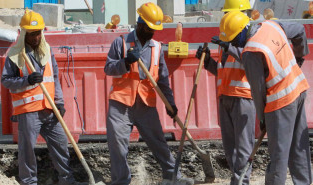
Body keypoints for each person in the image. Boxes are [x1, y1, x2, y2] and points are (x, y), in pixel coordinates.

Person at [104, 2, 194, 185]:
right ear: (140, 24)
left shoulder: (157, 48)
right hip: (121, 103)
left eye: (154, 29)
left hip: (145, 104)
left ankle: (172, 177)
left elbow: (162, 80)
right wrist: (125, 62)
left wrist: (171, 103)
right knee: (118, 146)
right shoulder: (120, 42)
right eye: (149, 28)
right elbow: (108, 68)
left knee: (158, 142)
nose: (152, 32)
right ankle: (121, 181)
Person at [219, 11, 312, 185]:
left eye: (233, 39)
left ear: (241, 31)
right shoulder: (271, 25)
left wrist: (262, 119)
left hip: (280, 102)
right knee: (299, 149)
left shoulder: (250, 51)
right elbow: (299, 29)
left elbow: (258, 90)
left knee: (278, 156)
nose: (233, 43)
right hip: (298, 90)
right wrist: (299, 57)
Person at [1, 10, 84, 185]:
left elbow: (54, 78)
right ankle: (29, 182)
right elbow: (6, 81)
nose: (36, 38)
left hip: (49, 108)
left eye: (38, 33)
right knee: (27, 150)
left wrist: (59, 102)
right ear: (24, 33)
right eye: (32, 34)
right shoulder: (15, 55)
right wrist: (26, 80)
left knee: (61, 144)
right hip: (29, 110)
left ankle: (66, 180)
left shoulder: (47, 51)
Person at [195, 1, 256, 184]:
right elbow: (223, 70)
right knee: (230, 148)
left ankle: (241, 182)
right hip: (225, 97)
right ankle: (236, 179)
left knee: (244, 147)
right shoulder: (226, 40)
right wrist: (207, 62)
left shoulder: (250, 37)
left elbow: (251, 63)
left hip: (243, 97)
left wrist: (230, 47)